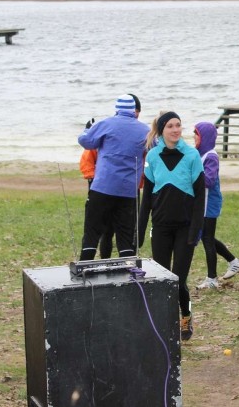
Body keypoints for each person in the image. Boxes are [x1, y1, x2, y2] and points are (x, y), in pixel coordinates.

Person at [138, 111, 205, 341]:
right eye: (170, 126)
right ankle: (164, 322)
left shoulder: (192, 155)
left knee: (178, 279)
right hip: (161, 228)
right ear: (162, 130)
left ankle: (185, 316)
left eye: (178, 125)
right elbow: (146, 197)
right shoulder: (153, 156)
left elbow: (199, 197)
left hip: (185, 228)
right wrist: (140, 231)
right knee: (162, 279)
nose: (176, 130)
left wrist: (196, 229)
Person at [77, 94, 149, 260]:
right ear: (134, 110)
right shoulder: (144, 130)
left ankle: (84, 272)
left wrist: (87, 130)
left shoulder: (106, 124)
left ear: (117, 109)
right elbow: (156, 146)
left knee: (92, 234)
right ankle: (128, 276)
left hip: (102, 187)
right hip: (128, 192)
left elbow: (85, 141)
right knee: (125, 237)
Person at [193, 121, 239, 289]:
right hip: (203, 204)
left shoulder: (211, 156)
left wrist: (192, 175)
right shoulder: (200, 154)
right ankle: (234, 261)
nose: (194, 137)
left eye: (197, 134)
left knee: (207, 239)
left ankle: (212, 279)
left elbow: (209, 180)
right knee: (206, 237)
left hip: (210, 204)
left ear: (205, 137)